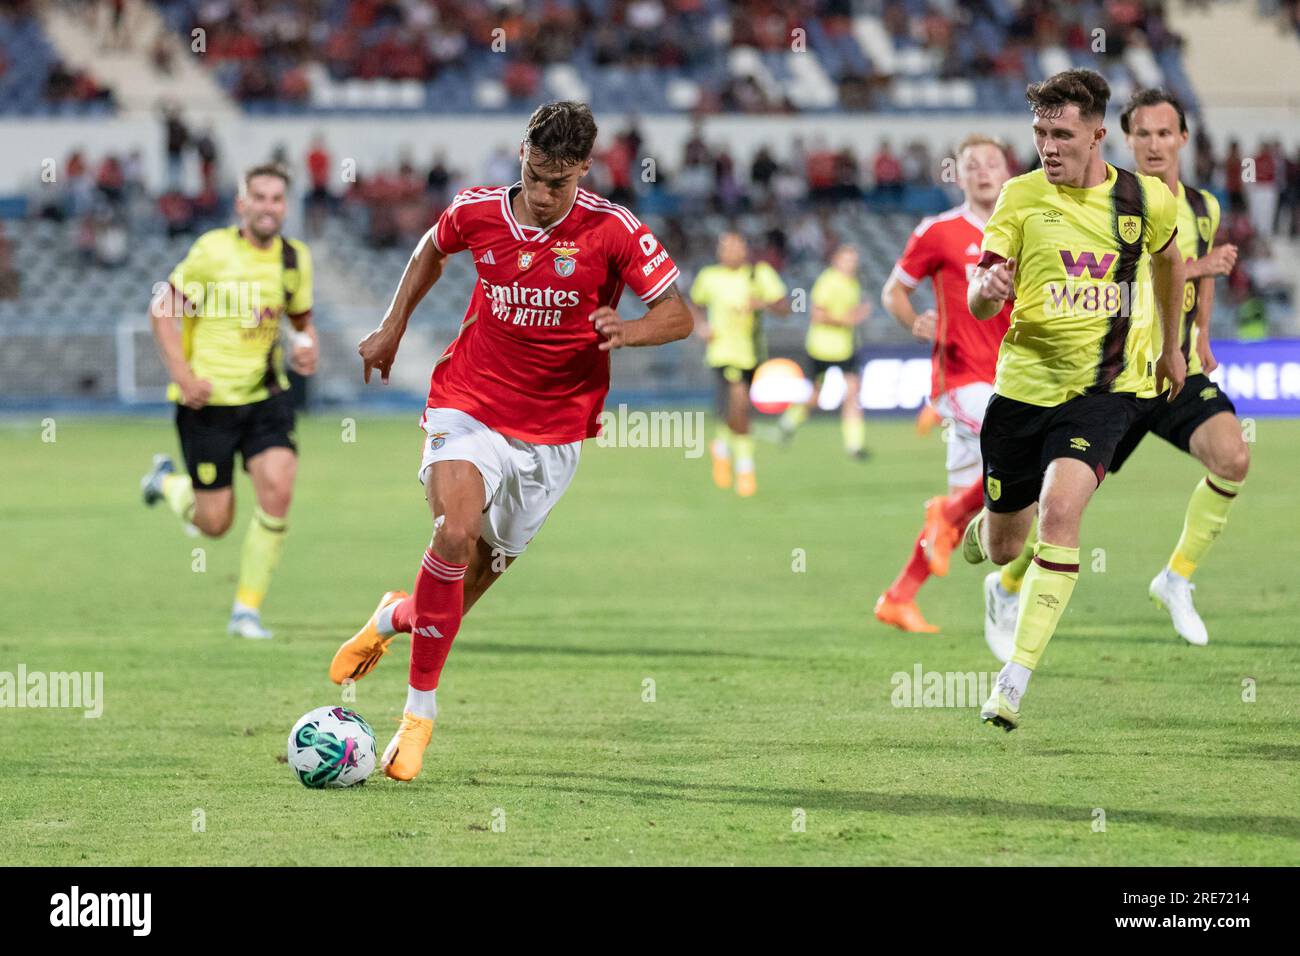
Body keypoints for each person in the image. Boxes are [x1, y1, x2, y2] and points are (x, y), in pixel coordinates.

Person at [326, 102, 691, 781]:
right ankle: (418, 716)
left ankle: (391, 618)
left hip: (553, 434)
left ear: (585, 169)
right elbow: (430, 249)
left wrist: (628, 330)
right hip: (468, 404)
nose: (544, 194)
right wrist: (392, 326)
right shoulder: (478, 210)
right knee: (452, 533)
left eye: (559, 182)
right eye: (535, 175)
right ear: (521, 153)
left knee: (456, 596)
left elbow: (677, 314)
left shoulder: (614, 230)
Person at [961, 69, 1187, 731]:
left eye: (1062, 134)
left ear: (1096, 136)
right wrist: (990, 291)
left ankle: (1012, 684)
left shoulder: (1145, 202)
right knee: (1008, 545)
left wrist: (1173, 347)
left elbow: (1171, 262)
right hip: (1022, 392)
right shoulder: (1019, 197)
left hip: (1104, 393)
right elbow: (977, 299)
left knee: (1061, 515)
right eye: (1040, 133)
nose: (1048, 146)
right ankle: (985, 535)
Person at [995, 88, 1248, 649]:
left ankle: (1176, 578)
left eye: (1165, 133)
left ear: (1183, 138)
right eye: (1143, 134)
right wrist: (1198, 264)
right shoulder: (1117, 200)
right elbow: (1135, 278)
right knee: (1058, 508)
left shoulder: (1204, 207)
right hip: (1118, 376)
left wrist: (1201, 333)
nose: (1154, 144)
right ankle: (1008, 581)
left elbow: (1194, 278)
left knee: (1232, 456)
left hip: (1173, 367)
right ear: (1123, 139)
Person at [140, 164, 318, 640]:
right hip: (207, 404)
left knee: (279, 490)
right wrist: (183, 375)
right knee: (215, 522)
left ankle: (246, 611)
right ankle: (167, 483)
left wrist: (307, 345)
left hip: (265, 396)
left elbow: (301, 320)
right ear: (242, 204)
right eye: (258, 197)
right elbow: (162, 311)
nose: (267, 206)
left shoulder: (294, 259)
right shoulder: (211, 251)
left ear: (285, 205)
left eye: (276, 198)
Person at [873, 134, 1014, 636]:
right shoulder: (939, 231)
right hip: (961, 378)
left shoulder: (1024, 228)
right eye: (971, 164)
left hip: (1012, 376)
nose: (982, 171)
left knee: (968, 513)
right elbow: (894, 291)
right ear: (957, 174)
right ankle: (957, 523)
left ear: (1007, 171)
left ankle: (898, 596)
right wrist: (914, 320)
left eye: (991, 163)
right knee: (1024, 454)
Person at [690, 232, 788, 497]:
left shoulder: (759, 274)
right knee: (740, 403)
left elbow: (785, 307)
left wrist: (763, 304)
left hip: (753, 353)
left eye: (738, 246)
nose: (733, 252)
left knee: (736, 411)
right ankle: (745, 469)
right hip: (722, 351)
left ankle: (721, 446)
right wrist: (702, 326)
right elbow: (696, 304)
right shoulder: (709, 277)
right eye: (727, 247)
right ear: (720, 252)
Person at [778, 244, 872, 460]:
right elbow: (817, 314)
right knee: (815, 397)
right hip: (822, 347)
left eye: (854, 260)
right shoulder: (827, 282)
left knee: (852, 394)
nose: (852, 264)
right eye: (848, 259)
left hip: (846, 348)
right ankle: (790, 420)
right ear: (836, 260)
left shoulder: (853, 283)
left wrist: (856, 315)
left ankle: (854, 446)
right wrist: (848, 319)